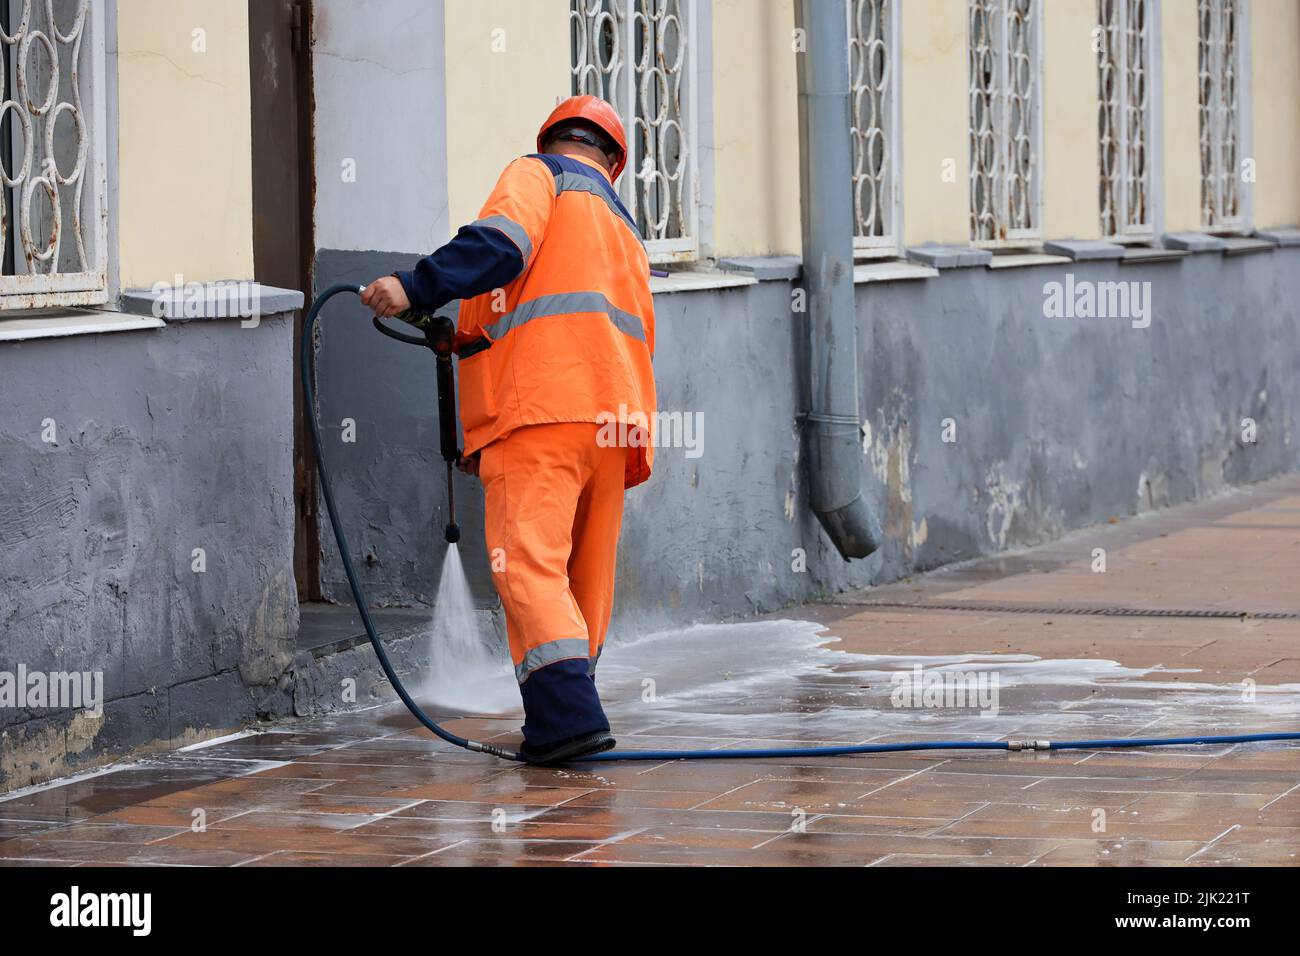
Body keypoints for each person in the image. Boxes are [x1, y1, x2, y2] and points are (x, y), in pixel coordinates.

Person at [362, 96, 656, 764]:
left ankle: (570, 721)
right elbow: (520, 309)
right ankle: (564, 718)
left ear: (553, 140)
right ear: (615, 161)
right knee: (585, 579)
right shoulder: (623, 226)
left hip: (543, 409)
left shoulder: (538, 174)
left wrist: (416, 286)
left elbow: (500, 245)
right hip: (614, 422)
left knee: (527, 563)